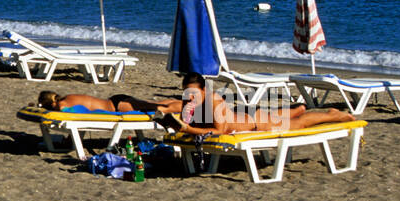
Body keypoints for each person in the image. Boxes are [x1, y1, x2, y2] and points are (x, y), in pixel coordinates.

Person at [160, 72, 354, 136]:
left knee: (300, 123)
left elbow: (220, 130)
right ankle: (297, 108)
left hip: (256, 124)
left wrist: (186, 128)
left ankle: (333, 114)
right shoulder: (192, 100)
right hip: (250, 116)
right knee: (284, 115)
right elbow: (182, 112)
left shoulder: (213, 101)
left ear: (204, 89)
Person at [37, 90, 183, 114]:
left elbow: (65, 113)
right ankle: (182, 102)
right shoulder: (68, 97)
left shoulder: (62, 105)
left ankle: (186, 106)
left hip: (117, 106)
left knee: (158, 108)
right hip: (115, 101)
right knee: (155, 103)